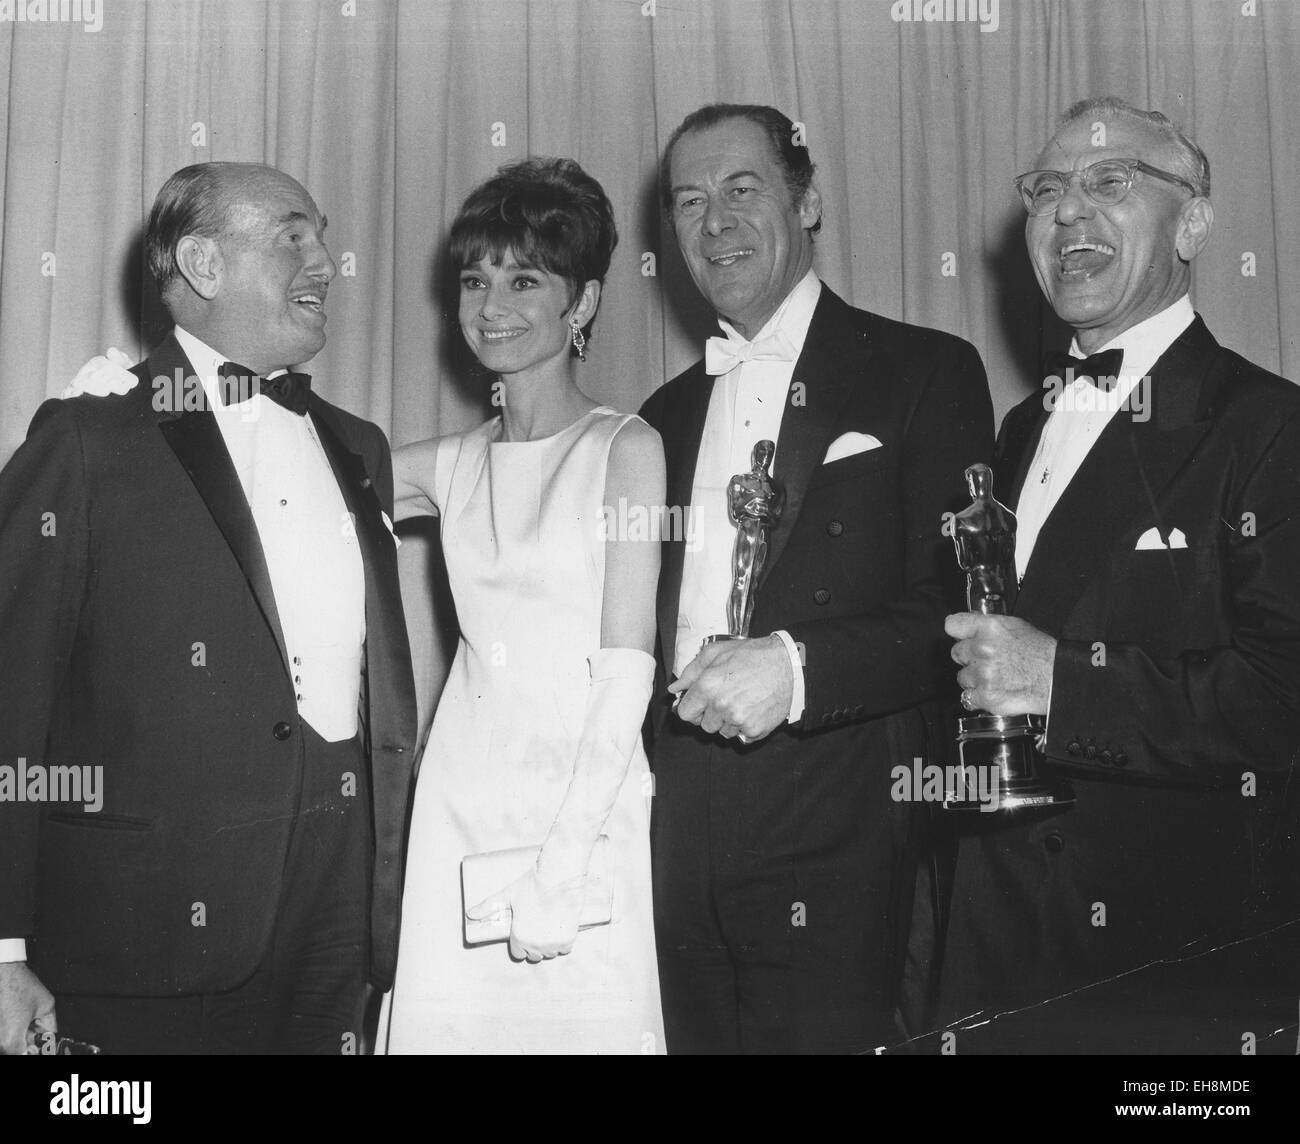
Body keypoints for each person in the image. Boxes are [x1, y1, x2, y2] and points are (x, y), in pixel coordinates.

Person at [0, 162, 418, 1054]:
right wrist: (1, 946)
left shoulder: (360, 446)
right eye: (292, 235)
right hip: (144, 937)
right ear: (200, 261)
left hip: (338, 921)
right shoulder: (86, 437)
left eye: (325, 235)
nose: (326, 262)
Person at [938, 97, 1300, 1052]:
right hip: (994, 951)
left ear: (1192, 223)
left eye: (1110, 182)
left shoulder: (1270, 428)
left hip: (1171, 972)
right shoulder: (1019, 431)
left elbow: (1284, 697)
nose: (1068, 213)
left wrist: (1062, 682)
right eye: (1046, 189)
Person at [641, 103, 994, 1053]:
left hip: (845, 823)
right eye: (688, 202)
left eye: (742, 189)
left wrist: (796, 670)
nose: (714, 222)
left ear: (809, 203)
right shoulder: (660, 417)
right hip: (672, 824)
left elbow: (966, 606)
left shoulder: (927, 369)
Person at [379, 158, 666, 1053]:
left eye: (524, 279)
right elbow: (288, 477)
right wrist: (146, 404)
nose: (491, 303)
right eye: (475, 279)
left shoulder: (627, 447)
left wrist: (564, 861)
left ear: (580, 304)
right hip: (459, 804)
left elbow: (626, 675)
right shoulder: (451, 462)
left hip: (583, 806)